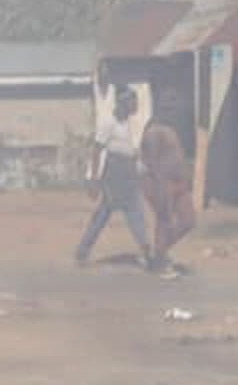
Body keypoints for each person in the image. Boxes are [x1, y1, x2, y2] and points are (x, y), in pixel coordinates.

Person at [76, 86, 154, 269]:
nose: (135, 106)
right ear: (123, 104)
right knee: (110, 214)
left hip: (127, 173)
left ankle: (146, 250)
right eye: (132, 103)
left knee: (131, 212)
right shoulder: (108, 123)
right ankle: (83, 251)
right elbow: (96, 151)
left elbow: (128, 149)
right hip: (114, 174)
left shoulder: (127, 123)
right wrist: (93, 179)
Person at [140, 118, 196, 279]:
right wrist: (161, 188)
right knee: (164, 221)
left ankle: (158, 253)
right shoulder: (153, 132)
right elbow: (153, 162)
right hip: (162, 182)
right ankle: (159, 262)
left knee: (189, 220)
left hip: (179, 182)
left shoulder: (172, 129)